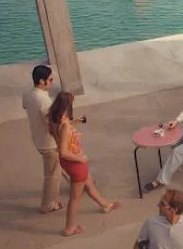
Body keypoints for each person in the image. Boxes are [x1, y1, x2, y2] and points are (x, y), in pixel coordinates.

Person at [48, 92, 119, 237]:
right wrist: (80, 159)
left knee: (89, 183)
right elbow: (63, 151)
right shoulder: (65, 126)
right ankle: (70, 228)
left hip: (70, 163)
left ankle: (105, 205)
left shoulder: (55, 120)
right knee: (75, 198)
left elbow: (62, 136)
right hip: (76, 163)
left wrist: (74, 123)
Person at [22, 65, 63, 214]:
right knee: (52, 176)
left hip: (38, 138)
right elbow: (51, 122)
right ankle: (48, 204)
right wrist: (60, 139)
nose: (52, 82)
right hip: (48, 143)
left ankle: (78, 182)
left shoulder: (28, 93)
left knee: (59, 165)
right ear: (41, 81)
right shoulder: (43, 99)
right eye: (50, 79)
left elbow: (25, 106)